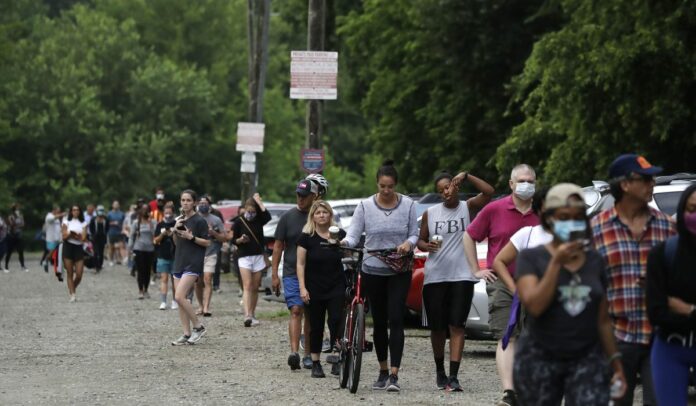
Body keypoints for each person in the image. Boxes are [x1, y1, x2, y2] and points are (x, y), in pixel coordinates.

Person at [514, 183, 626, 405]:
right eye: (564, 217)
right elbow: (534, 306)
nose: (571, 223)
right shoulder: (531, 258)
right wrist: (556, 263)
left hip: (586, 358)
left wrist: (616, 363)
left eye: (577, 216)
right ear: (549, 218)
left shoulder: (595, 260)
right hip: (540, 358)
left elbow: (603, 320)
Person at [591, 154, 675, 406]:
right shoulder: (596, 229)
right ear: (625, 184)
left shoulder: (665, 227)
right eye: (647, 179)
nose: (653, 183)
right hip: (614, 338)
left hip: (659, 337)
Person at [463, 164, 540, 406]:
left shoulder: (543, 211)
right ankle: (509, 392)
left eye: (531, 181)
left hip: (538, 283)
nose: (526, 184)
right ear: (511, 183)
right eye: (522, 180)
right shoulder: (494, 209)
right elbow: (469, 235)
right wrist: (477, 269)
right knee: (508, 335)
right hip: (502, 282)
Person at [342, 160, 418, 392]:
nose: (386, 191)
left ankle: (394, 374)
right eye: (383, 186)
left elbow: (414, 234)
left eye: (390, 187)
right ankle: (382, 369)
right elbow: (354, 235)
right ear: (377, 184)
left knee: (396, 318)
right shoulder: (365, 206)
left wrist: (407, 243)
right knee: (379, 321)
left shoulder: (408, 205)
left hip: (399, 270)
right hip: (372, 268)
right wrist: (344, 242)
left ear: (395, 186)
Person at [416, 170, 495, 391]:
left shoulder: (467, 207)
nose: (444, 192)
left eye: (447, 187)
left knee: (457, 325)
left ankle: (454, 376)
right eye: (440, 190)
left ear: (455, 186)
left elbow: (489, 192)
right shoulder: (430, 213)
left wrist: (467, 175)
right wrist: (427, 246)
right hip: (435, 276)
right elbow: (421, 241)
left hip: (462, 274)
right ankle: (440, 371)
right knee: (438, 328)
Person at [646, 183, 696, 406]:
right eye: (691, 209)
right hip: (669, 348)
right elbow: (656, 312)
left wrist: (687, 310)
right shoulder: (662, 253)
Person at [273, 180, 320, 370]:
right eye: (298, 195)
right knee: (296, 310)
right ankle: (294, 353)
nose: (300, 199)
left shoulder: (318, 217)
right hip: (292, 271)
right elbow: (277, 247)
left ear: (313, 197)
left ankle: (309, 353)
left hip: (314, 273)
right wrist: (275, 274)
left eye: (304, 196)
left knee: (311, 313)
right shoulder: (287, 218)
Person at [296, 200, 347, 378]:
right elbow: (300, 264)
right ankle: (316, 361)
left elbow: (349, 253)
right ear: (313, 216)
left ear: (330, 215)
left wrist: (342, 245)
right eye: (318, 213)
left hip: (336, 284)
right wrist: (302, 288)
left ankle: (337, 356)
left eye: (325, 212)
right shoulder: (306, 237)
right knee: (316, 326)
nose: (322, 215)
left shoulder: (339, 234)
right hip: (314, 286)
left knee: (336, 320)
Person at [170, 189, 210, 345]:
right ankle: (186, 333)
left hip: (193, 263)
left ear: (194, 202)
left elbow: (207, 242)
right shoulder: (179, 219)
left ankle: (199, 327)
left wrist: (191, 237)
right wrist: (175, 229)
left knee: (180, 296)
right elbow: (176, 242)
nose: (185, 203)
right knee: (180, 300)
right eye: (183, 200)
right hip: (179, 261)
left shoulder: (199, 221)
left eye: (188, 200)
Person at [233, 193, 271, 326]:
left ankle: (252, 313)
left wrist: (259, 202)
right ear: (244, 209)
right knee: (247, 285)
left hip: (258, 256)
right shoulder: (239, 221)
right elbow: (233, 240)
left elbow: (268, 216)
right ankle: (247, 315)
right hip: (244, 256)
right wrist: (240, 240)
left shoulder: (259, 219)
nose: (251, 214)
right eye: (248, 211)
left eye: (253, 211)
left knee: (255, 287)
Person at [194, 195, 227, 317]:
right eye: (201, 203)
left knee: (208, 279)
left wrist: (214, 233)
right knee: (197, 281)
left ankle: (207, 307)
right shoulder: (194, 218)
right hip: (196, 253)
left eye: (205, 203)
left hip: (211, 253)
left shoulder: (216, 219)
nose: (203, 205)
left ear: (209, 205)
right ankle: (200, 306)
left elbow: (225, 237)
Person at [129, 205, 157, 299]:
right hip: (138, 249)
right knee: (140, 270)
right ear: (140, 212)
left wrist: (151, 224)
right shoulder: (136, 223)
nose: (145, 212)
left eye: (147, 210)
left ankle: (146, 289)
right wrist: (130, 248)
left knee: (147, 270)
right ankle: (140, 290)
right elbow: (131, 236)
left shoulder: (153, 223)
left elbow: (156, 235)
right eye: (143, 210)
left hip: (150, 249)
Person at [62, 205, 88, 302]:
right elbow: (63, 236)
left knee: (79, 274)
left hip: (78, 248)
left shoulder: (83, 223)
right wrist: (70, 234)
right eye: (73, 210)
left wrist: (78, 237)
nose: (75, 211)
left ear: (80, 211)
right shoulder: (66, 221)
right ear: (71, 211)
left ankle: (72, 287)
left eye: (77, 210)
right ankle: (73, 294)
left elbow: (84, 238)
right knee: (70, 272)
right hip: (68, 247)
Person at [154, 203, 177, 310]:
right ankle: (163, 301)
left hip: (175, 256)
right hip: (162, 255)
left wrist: (173, 233)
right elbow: (155, 241)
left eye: (170, 213)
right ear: (163, 213)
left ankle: (175, 301)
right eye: (166, 213)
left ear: (173, 213)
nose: (168, 215)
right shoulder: (160, 225)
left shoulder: (177, 223)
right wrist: (162, 234)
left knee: (175, 280)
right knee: (164, 279)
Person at [5, 203, 28, 272]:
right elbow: (11, 225)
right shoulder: (10, 216)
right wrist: (17, 224)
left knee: (21, 251)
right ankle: (6, 266)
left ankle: (23, 266)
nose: (18, 210)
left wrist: (17, 224)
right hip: (11, 236)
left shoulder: (20, 216)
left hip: (19, 235)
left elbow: (23, 224)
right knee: (9, 251)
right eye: (17, 209)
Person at [43, 206, 65, 273]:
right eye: (58, 211)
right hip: (51, 238)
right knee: (52, 252)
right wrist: (62, 214)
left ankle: (59, 267)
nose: (58, 213)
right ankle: (46, 261)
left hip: (57, 238)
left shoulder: (57, 218)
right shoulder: (49, 216)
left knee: (59, 253)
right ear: (54, 210)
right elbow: (52, 218)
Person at [89, 205, 109, 273]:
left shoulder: (106, 219)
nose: (100, 212)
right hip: (95, 238)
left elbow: (107, 228)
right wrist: (92, 234)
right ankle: (95, 266)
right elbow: (91, 227)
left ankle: (100, 265)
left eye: (102, 210)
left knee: (101, 253)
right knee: (95, 252)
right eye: (99, 210)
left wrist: (105, 233)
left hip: (102, 238)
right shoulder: (93, 219)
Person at [107, 200, 126, 266]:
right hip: (111, 232)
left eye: (117, 204)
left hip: (120, 232)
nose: (116, 205)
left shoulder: (122, 214)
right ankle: (111, 260)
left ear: (119, 205)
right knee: (111, 247)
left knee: (121, 246)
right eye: (115, 204)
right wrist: (112, 223)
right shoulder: (109, 214)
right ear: (112, 205)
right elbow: (106, 223)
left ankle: (122, 259)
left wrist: (124, 229)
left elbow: (125, 222)